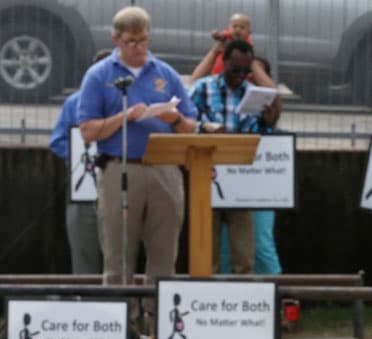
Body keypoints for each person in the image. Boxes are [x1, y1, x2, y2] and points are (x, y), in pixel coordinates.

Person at [78, 6, 199, 287]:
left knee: (164, 254)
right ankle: (124, 323)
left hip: (165, 169)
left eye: (143, 40)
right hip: (120, 169)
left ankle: (157, 321)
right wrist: (124, 116)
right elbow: (87, 131)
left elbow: (192, 125)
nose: (138, 47)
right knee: (118, 254)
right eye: (131, 41)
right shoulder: (99, 75)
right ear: (116, 39)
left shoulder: (165, 73)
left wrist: (175, 117)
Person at [190, 39, 279, 274]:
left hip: (241, 181)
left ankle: (243, 304)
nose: (240, 75)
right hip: (208, 176)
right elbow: (183, 121)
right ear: (224, 63)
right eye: (235, 69)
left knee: (244, 254)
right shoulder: (203, 88)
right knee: (206, 253)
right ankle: (205, 302)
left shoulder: (253, 94)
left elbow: (262, 133)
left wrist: (268, 122)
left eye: (245, 71)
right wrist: (206, 127)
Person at [49, 50, 110, 275]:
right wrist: (78, 156)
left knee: (120, 249)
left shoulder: (129, 102)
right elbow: (57, 141)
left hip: (121, 184)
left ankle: (122, 299)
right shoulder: (75, 102)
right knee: (83, 245)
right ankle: (84, 297)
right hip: (83, 184)